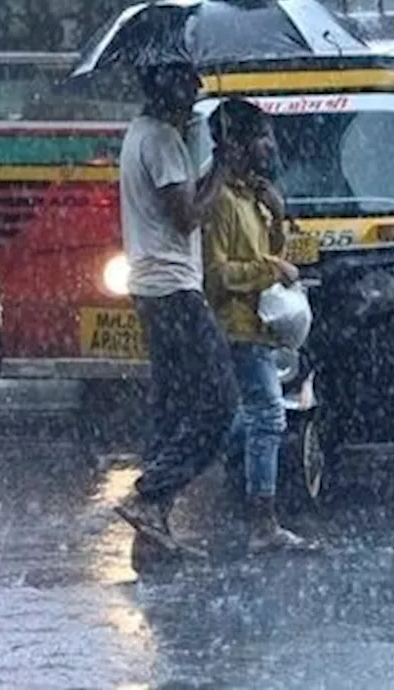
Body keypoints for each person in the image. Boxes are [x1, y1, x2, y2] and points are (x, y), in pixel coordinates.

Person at [113, 62, 239, 556]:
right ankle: (152, 494)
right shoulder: (163, 140)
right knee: (219, 402)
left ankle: (152, 533)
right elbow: (186, 216)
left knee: (171, 405)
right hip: (173, 288)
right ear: (167, 89)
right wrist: (224, 168)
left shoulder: (140, 133)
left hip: (152, 285)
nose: (197, 92)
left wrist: (206, 168)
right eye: (189, 84)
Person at [202, 98, 318, 553]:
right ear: (236, 144)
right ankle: (262, 522)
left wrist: (276, 215)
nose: (269, 145)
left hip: (259, 327)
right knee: (268, 414)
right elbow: (219, 275)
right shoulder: (220, 203)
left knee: (245, 418)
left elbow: (266, 252)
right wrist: (272, 269)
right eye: (261, 137)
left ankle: (198, 461)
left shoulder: (251, 198)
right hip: (237, 328)